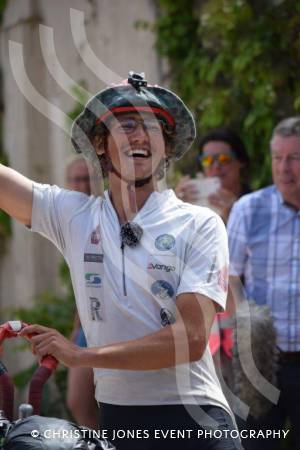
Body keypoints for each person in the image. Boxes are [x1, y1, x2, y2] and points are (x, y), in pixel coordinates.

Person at [1, 71, 243, 449]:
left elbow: (190, 340)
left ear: (167, 147)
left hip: (194, 419)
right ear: (99, 143)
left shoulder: (199, 223)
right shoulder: (76, 216)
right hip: (117, 417)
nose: (141, 136)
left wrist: (80, 355)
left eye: (153, 128)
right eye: (126, 124)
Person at [227, 117, 300, 449]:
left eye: (295, 158)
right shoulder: (248, 210)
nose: (284, 168)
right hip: (260, 364)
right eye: (277, 158)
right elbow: (228, 282)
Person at [64, 155, 98, 429]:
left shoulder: (107, 213)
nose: (82, 185)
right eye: (77, 179)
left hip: (117, 321)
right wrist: (76, 330)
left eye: (87, 179)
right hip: (88, 319)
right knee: (78, 400)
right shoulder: (69, 219)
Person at [176, 128, 250, 223]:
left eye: (224, 159)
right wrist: (177, 209)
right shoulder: (192, 202)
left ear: (241, 161)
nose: (216, 166)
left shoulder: (256, 203)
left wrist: (237, 216)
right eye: (207, 160)